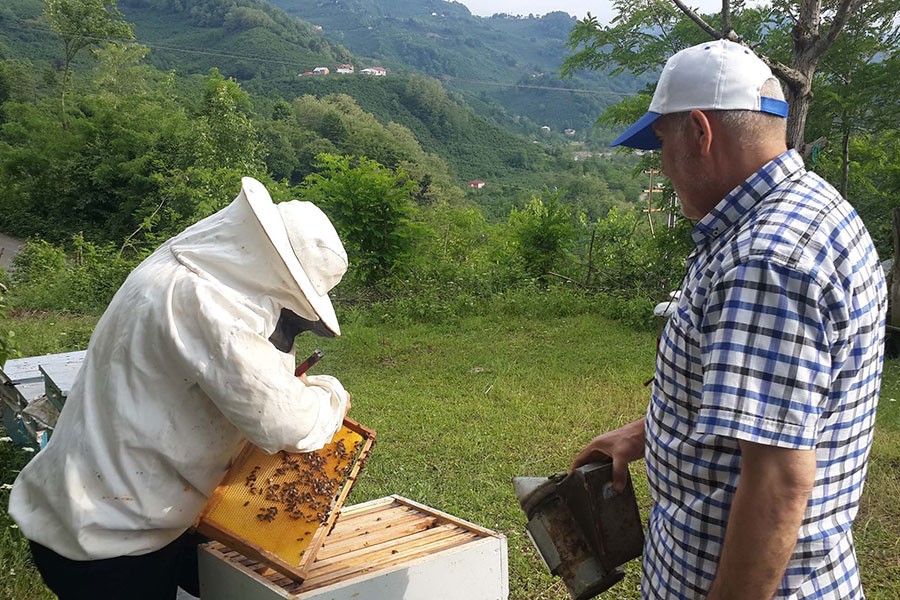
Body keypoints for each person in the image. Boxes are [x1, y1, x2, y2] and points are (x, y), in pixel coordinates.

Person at [572, 40, 887, 599]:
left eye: (661, 143)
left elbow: (777, 484)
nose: (661, 165)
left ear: (700, 132)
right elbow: (785, 412)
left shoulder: (765, 261)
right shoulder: (814, 209)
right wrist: (646, 433)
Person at [9, 177, 352, 599]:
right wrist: (330, 396)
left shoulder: (177, 265)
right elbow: (287, 422)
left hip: (98, 510)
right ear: (281, 274)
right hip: (111, 542)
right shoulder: (208, 304)